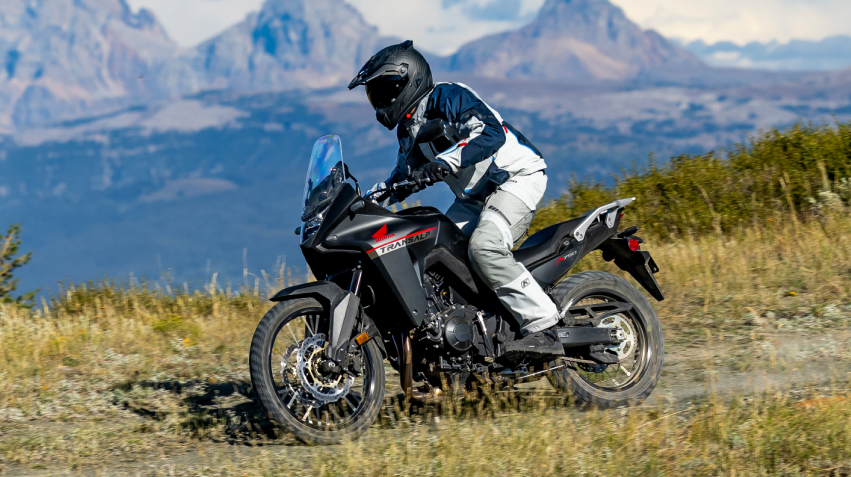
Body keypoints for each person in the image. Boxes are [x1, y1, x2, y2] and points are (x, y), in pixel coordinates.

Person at [348, 40, 562, 359]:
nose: (378, 99)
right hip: (475, 197)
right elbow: (402, 178)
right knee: (436, 250)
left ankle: (544, 326)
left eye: (384, 89)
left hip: (514, 177)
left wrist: (444, 161)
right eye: (374, 93)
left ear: (410, 79)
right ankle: (476, 334)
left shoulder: (449, 96)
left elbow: (491, 134)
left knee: (484, 247)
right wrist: (363, 201)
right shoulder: (408, 129)